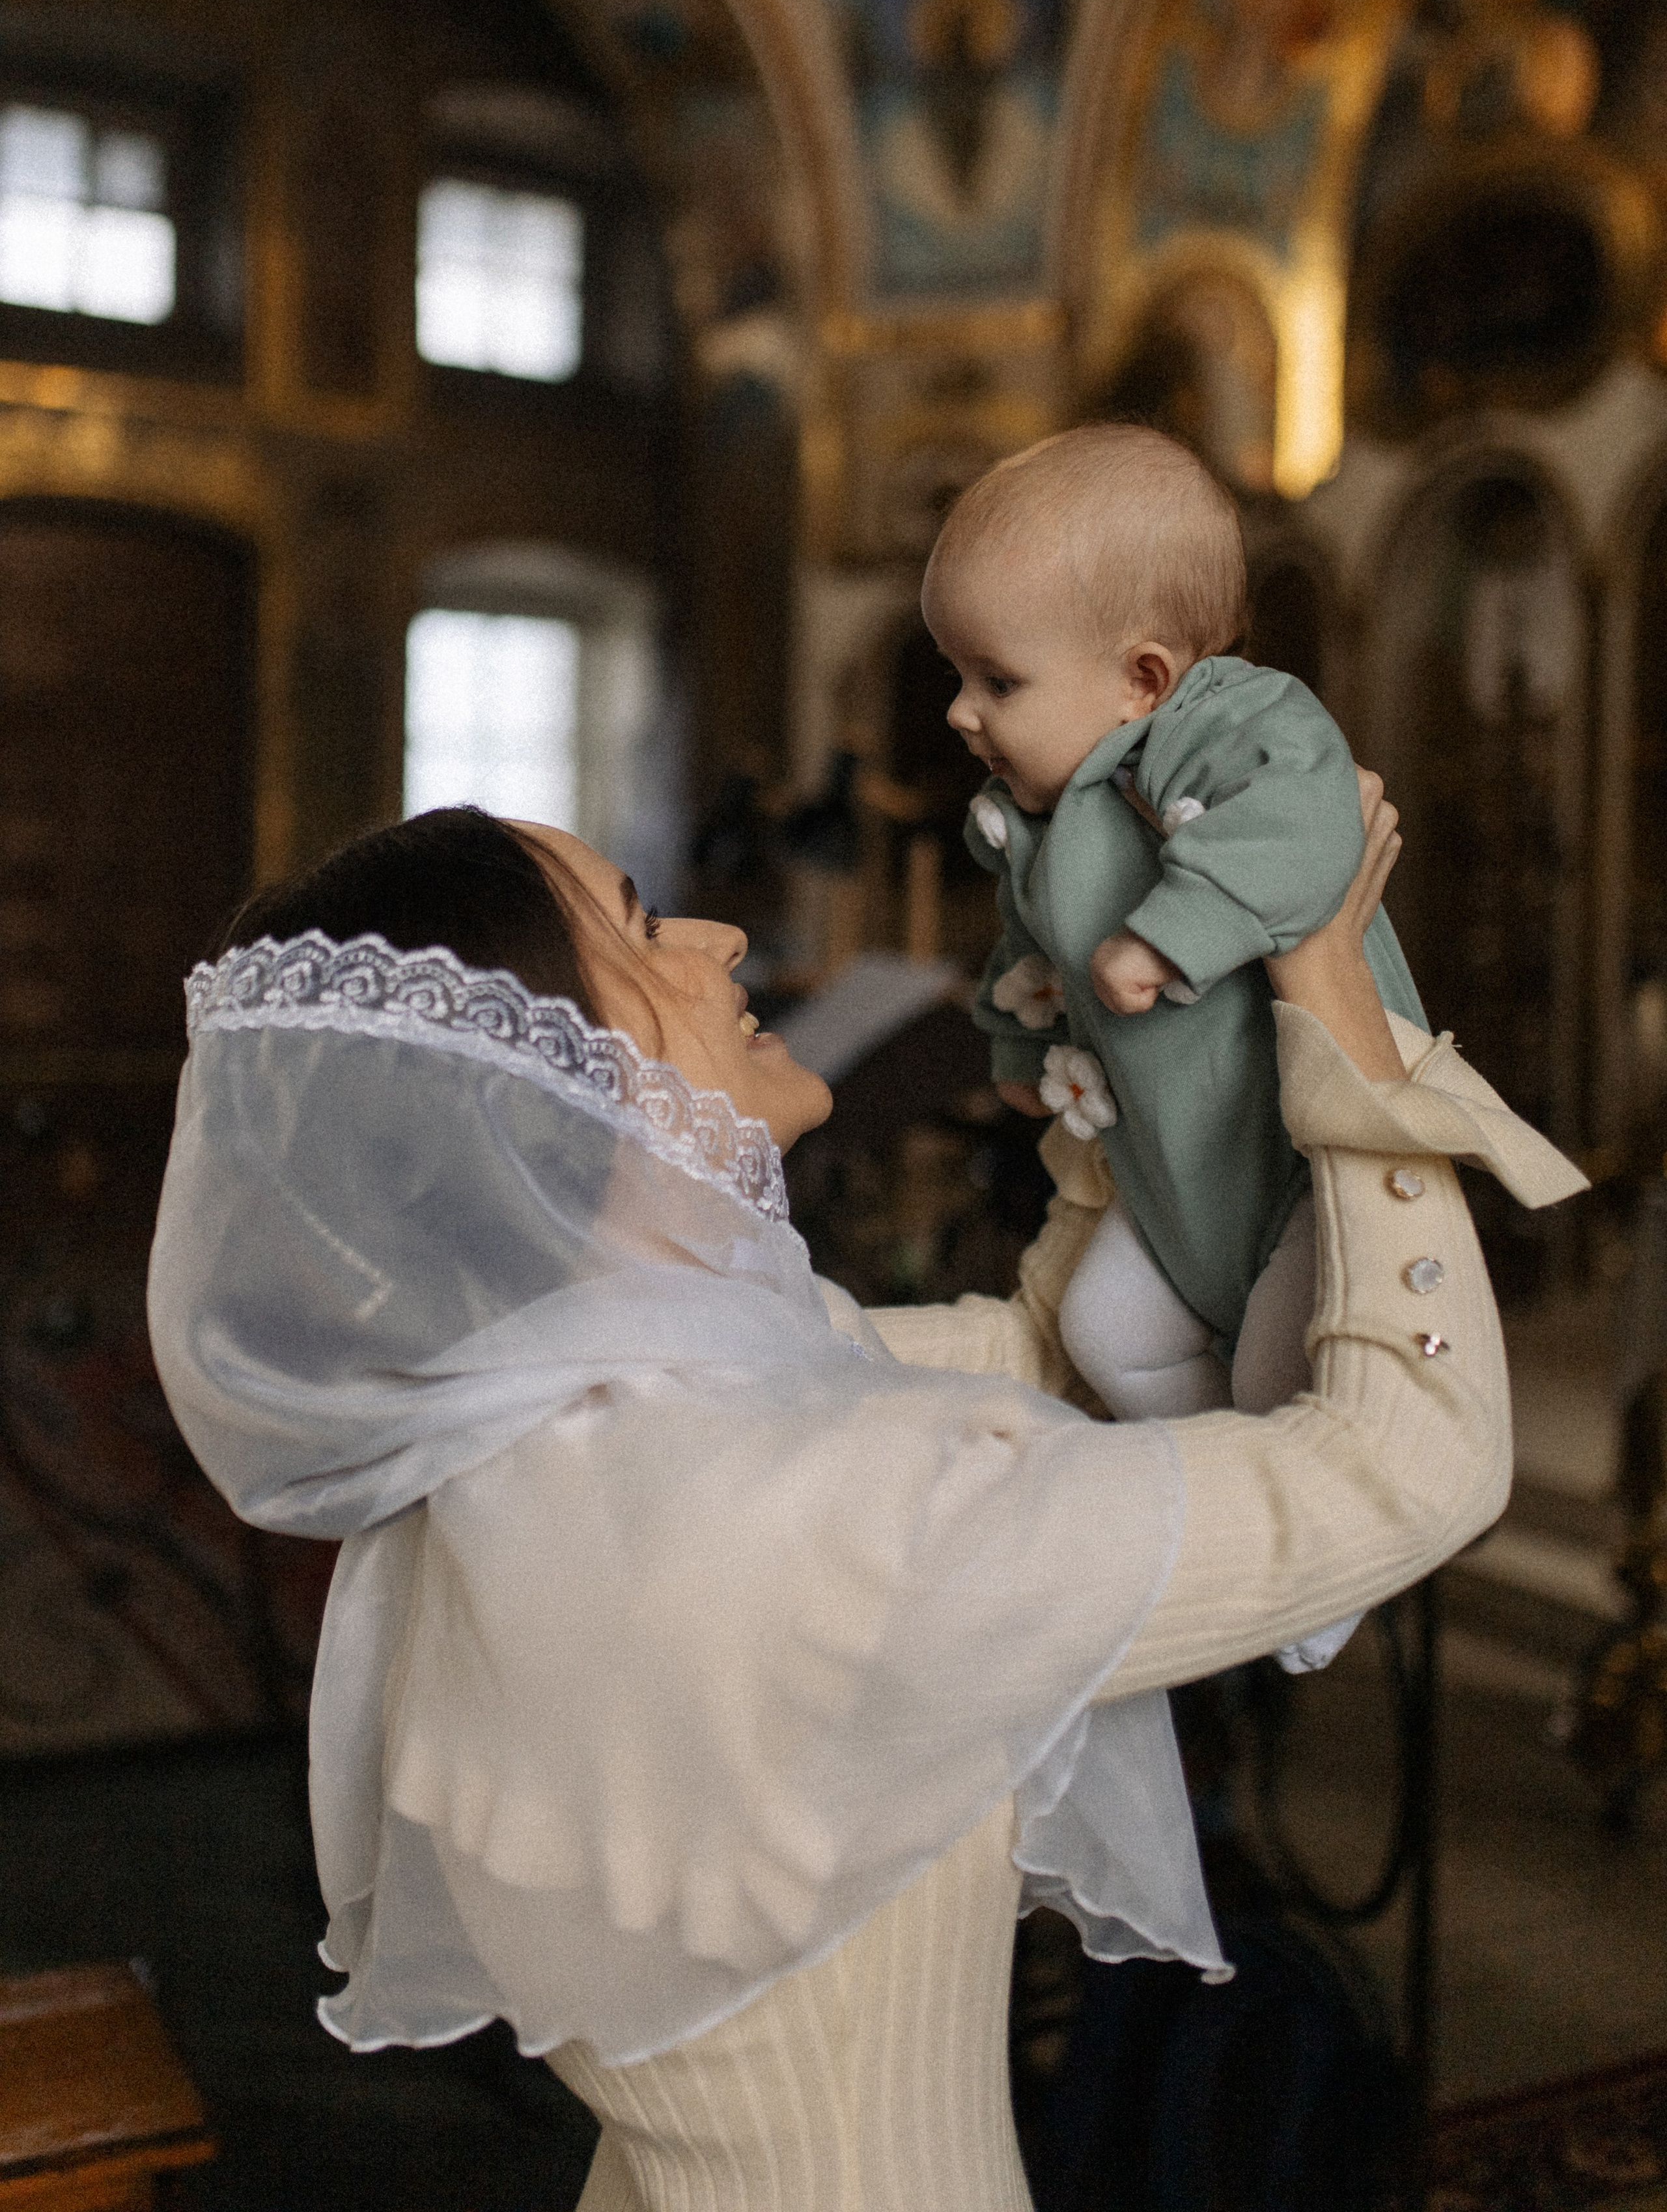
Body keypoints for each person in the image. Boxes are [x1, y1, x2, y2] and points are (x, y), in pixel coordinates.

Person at [148, 795, 1573, 2212]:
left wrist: (1117, 1065)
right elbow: (1412, 1468)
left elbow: (1037, 1361)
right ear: (543, 1084)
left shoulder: (524, 1439)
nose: (714, 936)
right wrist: (1352, 1031)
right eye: (641, 934)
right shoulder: (816, 1503)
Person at [922, 423, 1438, 1443]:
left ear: (1144, 682)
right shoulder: (1037, 814)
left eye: (998, 682)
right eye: (956, 676)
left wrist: (1164, 939)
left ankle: (1300, 1586)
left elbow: (1304, 819)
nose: (960, 713)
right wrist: (1021, 1047)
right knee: (1105, 1329)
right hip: (1173, 1170)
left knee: (1278, 1373)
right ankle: (1208, 1496)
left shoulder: (1219, 722)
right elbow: (1024, 957)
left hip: (1301, 1160)